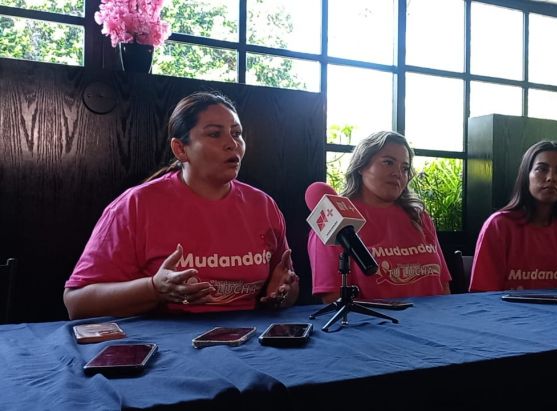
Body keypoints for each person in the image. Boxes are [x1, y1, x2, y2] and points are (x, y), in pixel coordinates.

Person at [64, 91, 298, 319]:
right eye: (215, 134)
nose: (232, 143)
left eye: (236, 133)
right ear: (180, 149)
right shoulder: (135, 205)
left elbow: (288, 290)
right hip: (162, 340)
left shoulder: (263, 206)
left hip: (249, 337)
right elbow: (77, 303)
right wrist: (154, 288)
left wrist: (281, 293)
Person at [308, 131, 451, 303]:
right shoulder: (335, 220)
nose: (398, 173)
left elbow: (443, 286)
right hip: (373, 321)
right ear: (361, 165)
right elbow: (333, 299)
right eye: (388, 162)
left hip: (435, 319)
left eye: (405, 168)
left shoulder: (419, 216)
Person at [469, 140, 557, 292]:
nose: (551, 178)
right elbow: (483, 295)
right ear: (526, 175)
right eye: (542, 169)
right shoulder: (499, 226)